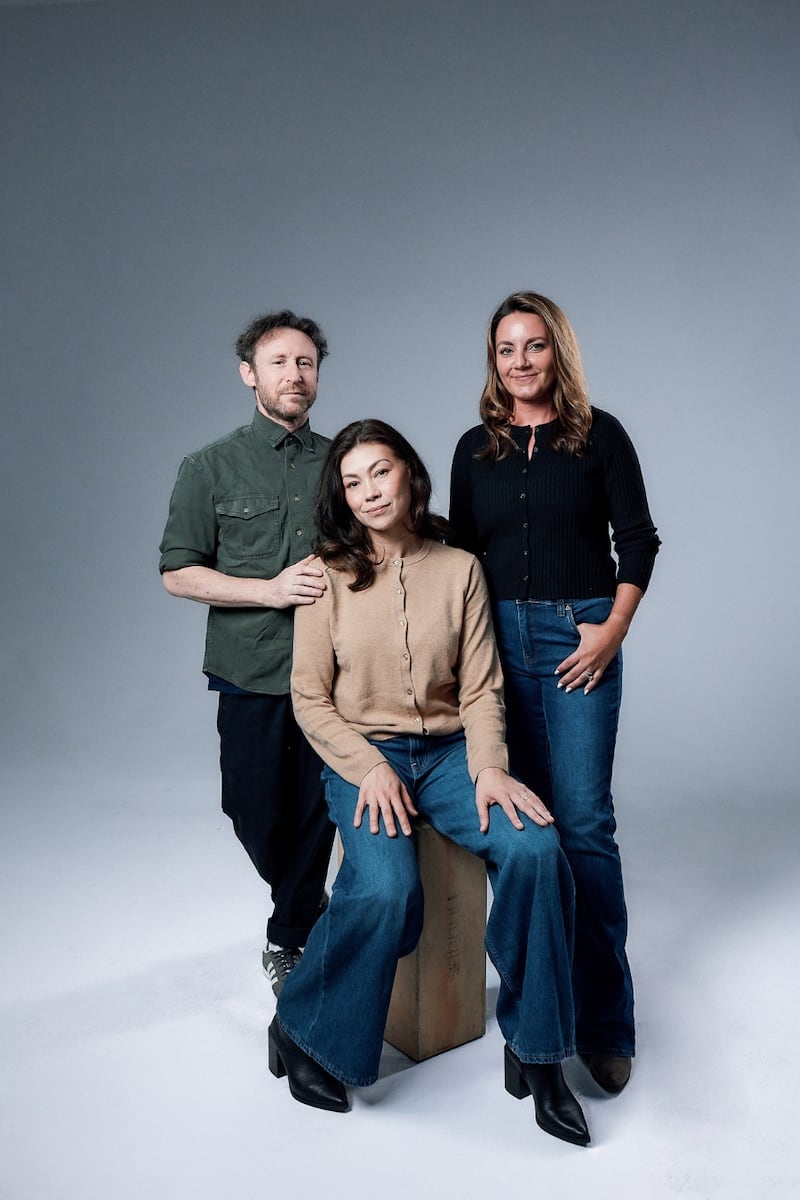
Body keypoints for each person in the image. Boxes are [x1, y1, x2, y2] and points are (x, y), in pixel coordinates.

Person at [270, 418, 590, 1147]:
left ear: (410, 474)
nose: (369, 492)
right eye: (352, 482)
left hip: (451, 756)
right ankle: (300, 1030)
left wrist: (490, 770)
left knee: (538, 847)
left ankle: (538, 1054)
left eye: (379, 472)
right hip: (363, 755)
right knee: (385, 890)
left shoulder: (460, 569)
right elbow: (310, 700)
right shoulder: (327, 576)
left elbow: (481, 690)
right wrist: (370, 767)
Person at [449, 292, 660, 1096]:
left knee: (582, 827)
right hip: (496, 645)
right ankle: (537, 1020)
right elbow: (461, 560)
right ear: (494, 361)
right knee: (519, 832)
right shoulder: (477, 450)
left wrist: (612, 631)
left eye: (535, 346)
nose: (521, 361)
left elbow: (637, 541)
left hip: (580, 640)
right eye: (507, 349)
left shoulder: (601, 436)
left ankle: (607, 1024)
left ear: (557, 352)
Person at [159, 310, 335, 997]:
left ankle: (288, 936)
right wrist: (268, 591)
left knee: (322, 804)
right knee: (253, 809)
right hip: (250, 669)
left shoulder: (342, 462)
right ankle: (307, 906)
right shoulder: (208, 466)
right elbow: (178, 572)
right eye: (280, 362)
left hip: (331, 673)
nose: (295, 375)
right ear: (249, 374)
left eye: (306, 364)